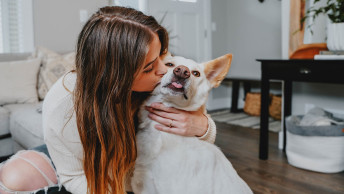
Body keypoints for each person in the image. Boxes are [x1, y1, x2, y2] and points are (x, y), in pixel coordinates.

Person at [0, 6, 217, 194]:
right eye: (150, 68)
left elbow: (195, 138)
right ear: (116, 76)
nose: (164, 70)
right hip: (86, 163)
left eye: (162, 56)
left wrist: (202, 127)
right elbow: (75, 176)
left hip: (131, 169)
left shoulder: (162, 76)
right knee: (12, 178)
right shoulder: (63, 105)